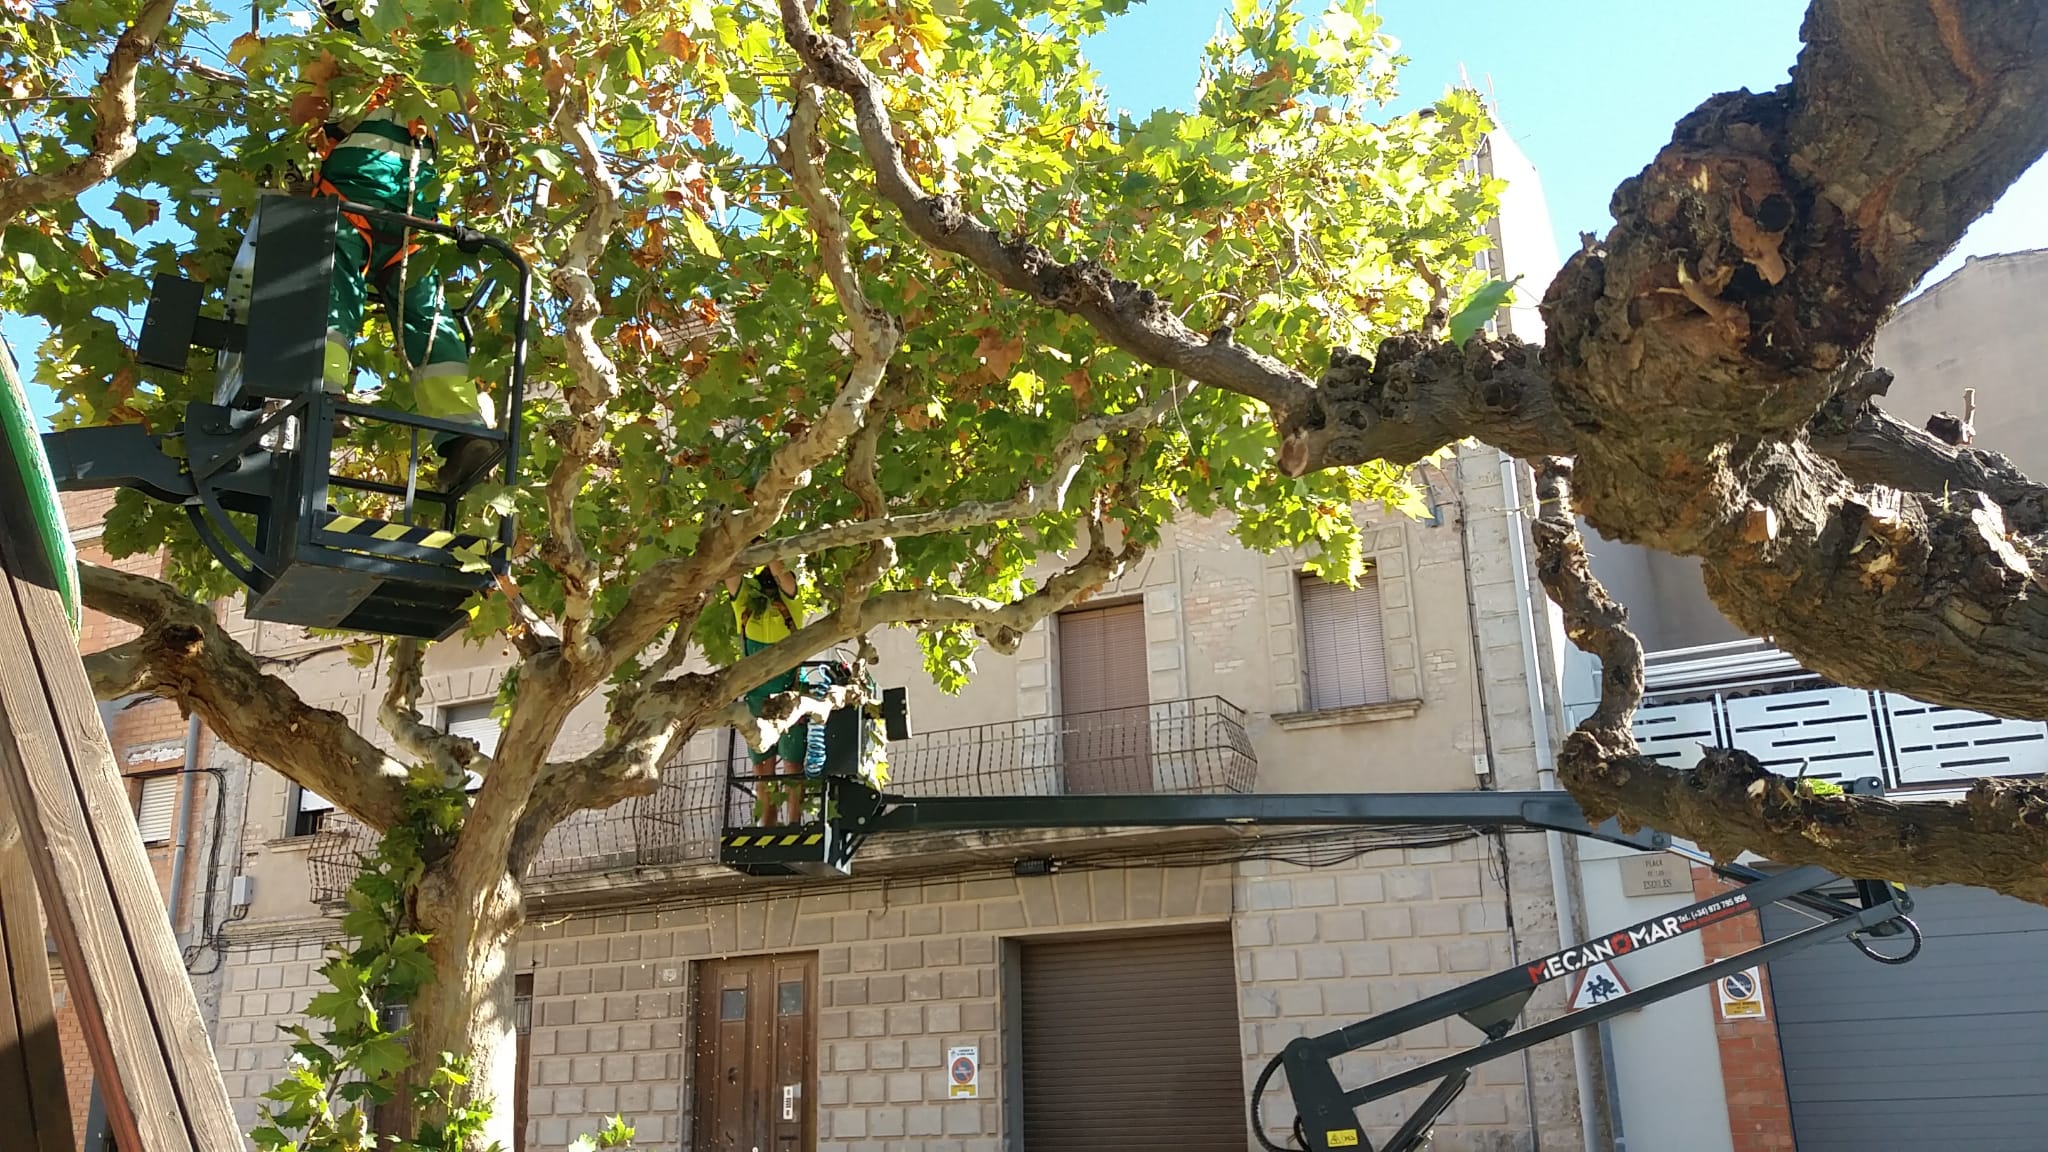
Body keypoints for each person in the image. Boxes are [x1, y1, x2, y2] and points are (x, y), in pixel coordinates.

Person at [288, 0, 496, 491]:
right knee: (348, 298)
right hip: (356, 205)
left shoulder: (430, 59)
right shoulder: (341, 52)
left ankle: (463, 437)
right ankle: (322, 399)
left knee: (428, 319)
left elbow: (471, 108)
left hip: (408, 221)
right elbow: (303, 115)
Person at [727, 559, 809, 826]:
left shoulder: (791, 605)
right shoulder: (746, 607)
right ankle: (767, 825)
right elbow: (731, 576)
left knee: (792, 764)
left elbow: (785, 579)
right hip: (757, 699)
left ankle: (794, 822)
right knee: (763, 767)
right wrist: (742, 549)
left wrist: (768, 551)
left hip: (789, 696)